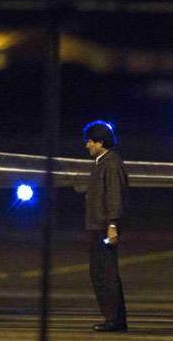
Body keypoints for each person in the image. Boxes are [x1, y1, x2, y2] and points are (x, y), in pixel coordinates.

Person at [83, 121, 128, 332]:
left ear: (100, 142)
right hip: (97, 225)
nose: (87, 146)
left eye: (90, 141)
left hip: (103, 227)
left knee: (106, 273)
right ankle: (113, 317)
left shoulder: (111, 163)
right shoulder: (101, 162)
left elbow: (114, 197)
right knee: (99, 272)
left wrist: (112, 225)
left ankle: (114, 320)